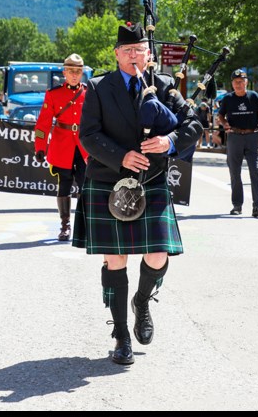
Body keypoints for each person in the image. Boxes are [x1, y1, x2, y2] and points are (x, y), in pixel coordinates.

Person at [74, 22, 202, 366]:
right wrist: (120, 156)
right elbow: (88, 135)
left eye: (140, 51)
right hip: (108, 180)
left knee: (159, 254)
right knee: (115, 259)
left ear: (149, 54)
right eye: (127, 51)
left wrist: (170, 141)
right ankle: (120, 335)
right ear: (116, 54)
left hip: (153, 179)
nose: (134, 56)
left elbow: (194, 124)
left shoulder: (164, 86)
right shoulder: (100, 87)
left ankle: (142, 301)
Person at [35, 53, 89, 242]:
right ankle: (65, 225)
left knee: (85, 185)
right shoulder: (53, 94)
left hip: (84, 146)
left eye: (78, 71)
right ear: (64, 72)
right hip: (62, 145)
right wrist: (40, 147)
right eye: (71, 71)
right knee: (64, 184)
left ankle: (85, 225)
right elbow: (42, 124)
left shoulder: (89, 93)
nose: (74, 75)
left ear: (82, 73)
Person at [217, 69, 258, 217]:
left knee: (254, 171)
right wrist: (224, 123)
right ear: (232, 84)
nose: (239, 84)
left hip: (252, 136)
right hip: (234, 137)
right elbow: (220, 115)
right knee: (235, 172)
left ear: (246, 82)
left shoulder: (253, 96)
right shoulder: (228, 99)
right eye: (236, 82)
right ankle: (237, 205)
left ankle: (257, 206)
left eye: (241, 82)